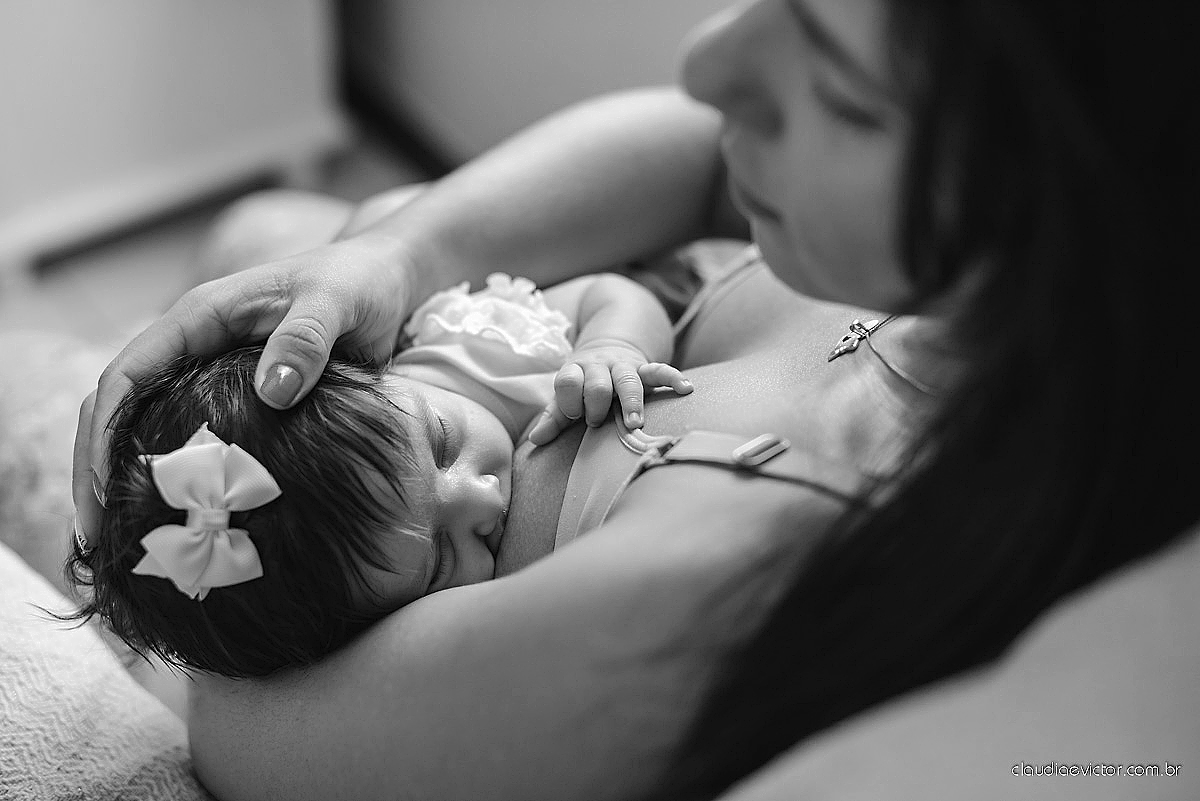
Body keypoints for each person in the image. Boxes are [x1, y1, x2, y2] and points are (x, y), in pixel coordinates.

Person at [70, 1, 1196, 800]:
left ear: (1060, 194)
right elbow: (701, 156)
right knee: (269, 230)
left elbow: (242, 728)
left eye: (844, 94)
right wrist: (402, 252)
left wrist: (206, 557)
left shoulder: (705, 582)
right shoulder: (972, 294)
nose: (707, 63)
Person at [67, 272, 689, 677]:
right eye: (441, 557)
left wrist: (613, 347)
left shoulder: (477, 352)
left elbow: (610, 291)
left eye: (442, 444)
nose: (482, 499)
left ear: (371, 369)